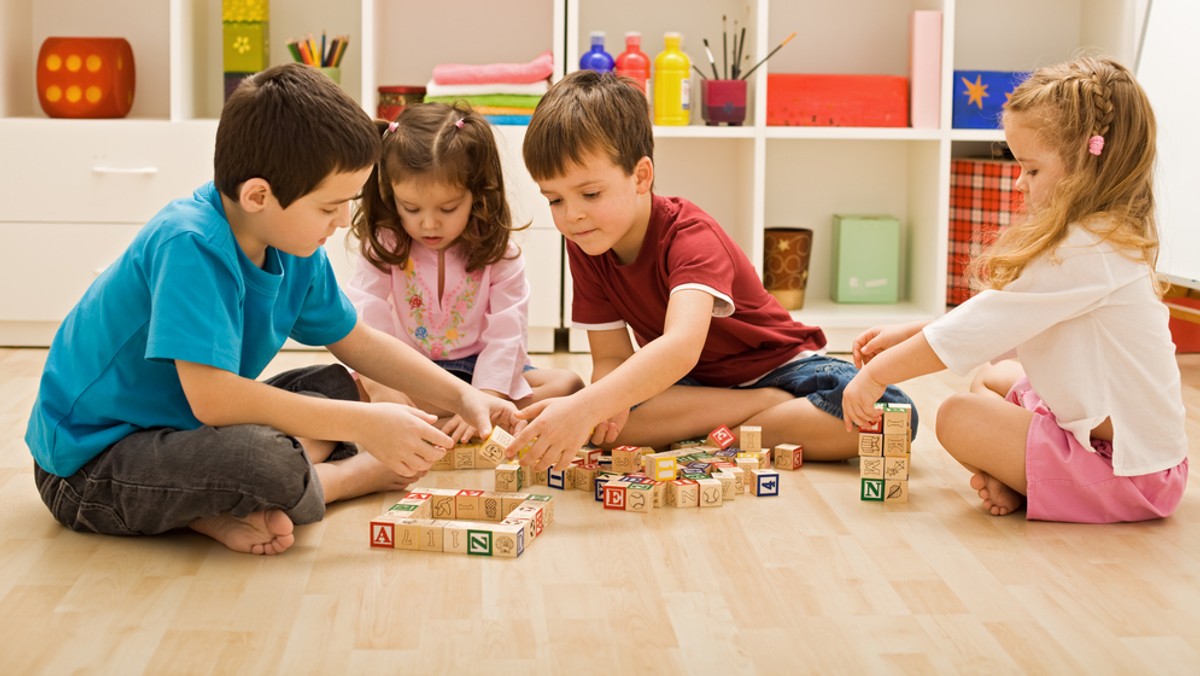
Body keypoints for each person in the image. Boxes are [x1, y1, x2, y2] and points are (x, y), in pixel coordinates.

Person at [25, 64, 517, 556]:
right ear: (259, 195)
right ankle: (338, 478)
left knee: (342, 385)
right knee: (267, 462)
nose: (343, 221)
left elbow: (358, 342)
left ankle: (216, 506)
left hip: (183, 431)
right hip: (90, 465)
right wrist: (366, 428)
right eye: (329, 208)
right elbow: (213, 401)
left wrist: (460, 396)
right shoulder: (190, 244)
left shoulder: (294, 244)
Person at [510, 69, 917, 470]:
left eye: (590, 193)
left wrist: (588, 407)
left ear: (641, 176)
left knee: (894, 416)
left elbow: (680, 347)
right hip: (696, 386)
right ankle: (761, 412)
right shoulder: (587, 241)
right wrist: (601, 406)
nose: (572, 216)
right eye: (554, 200)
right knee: (615, 423)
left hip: (783, 367)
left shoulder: (690, 235)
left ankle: (747, 421)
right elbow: (612, 357)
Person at [841, 56, 1189, 523]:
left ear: (1090, 162)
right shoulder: (1099, 235)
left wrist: (877, 374)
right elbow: (1000, 320)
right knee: (987, 379)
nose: (1019, 182)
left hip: (1130, 472)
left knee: (957, 415)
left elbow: (985, 324)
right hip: (1129, 446)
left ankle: (1032, 483)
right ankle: (1026, 479)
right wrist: (909, 334)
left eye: (1032, 170)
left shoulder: (1086, 251)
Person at [347, 103, 583, 443]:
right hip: (414, 374)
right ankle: (446, 422)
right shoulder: (387, 243)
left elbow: (507, 332)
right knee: (350, 391)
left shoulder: (500, 253)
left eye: (448, 208)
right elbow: (365, 314)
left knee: (568, 385)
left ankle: (448, 423)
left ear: (477, 193)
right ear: (390, 194)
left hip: (480, 375)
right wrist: (383, 387)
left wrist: (486, 397)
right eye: (410, 208)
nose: (428, 223)